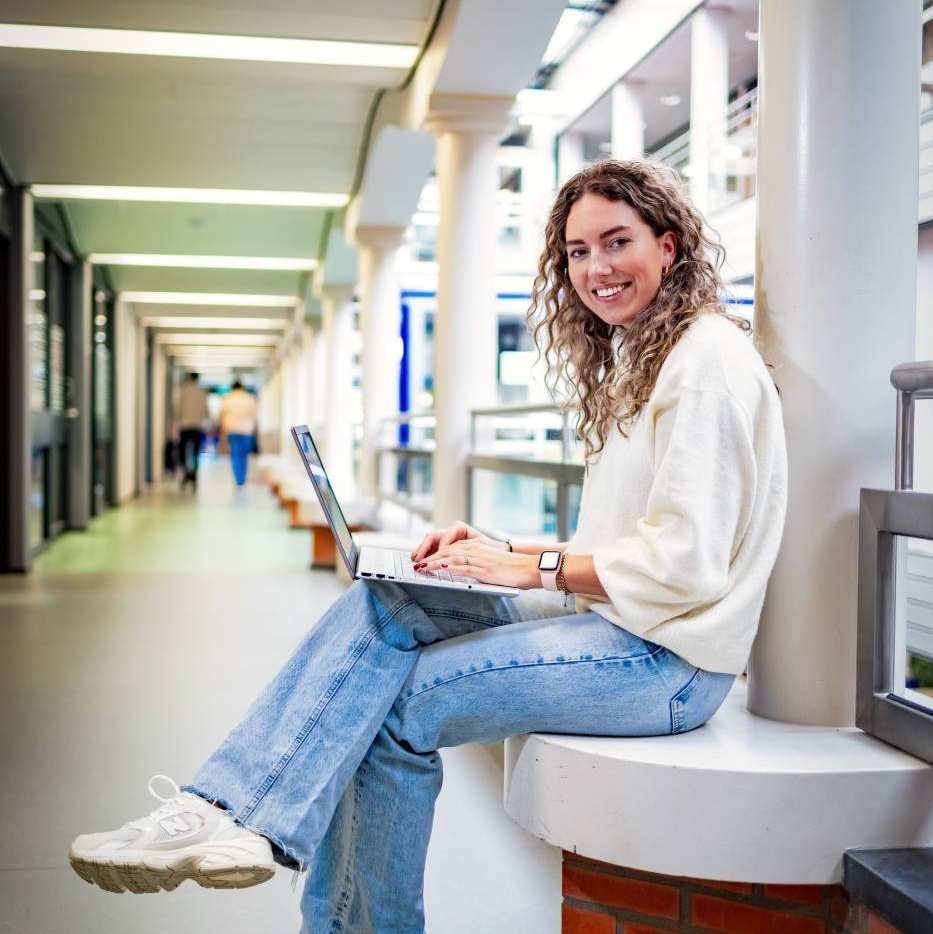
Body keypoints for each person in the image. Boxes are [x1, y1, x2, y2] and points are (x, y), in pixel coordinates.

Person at [68, 161, 787, 932]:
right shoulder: (643, 359)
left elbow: (685, 564)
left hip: (665, 665)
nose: (595, 269)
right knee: (389, 599)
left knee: (393, 704)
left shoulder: (703, 361)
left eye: (617, 243)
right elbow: (626, 542)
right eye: (577, 252)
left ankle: (266, 837)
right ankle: (225, 809)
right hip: (620, 629)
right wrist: (498, 546)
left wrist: (524, 566)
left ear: (668, 245)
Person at [219, 379, 258, 487]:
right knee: (244, 455)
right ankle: (242, 478)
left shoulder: (228, 398)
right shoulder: (249, 398)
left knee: (235, 454)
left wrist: (221, 431)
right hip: (247, 430)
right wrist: (255, 430)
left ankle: (238, 479)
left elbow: (222, 415)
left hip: (232, 429)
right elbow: (255, 415)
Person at [173, 372, 209, 489]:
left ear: (189, 378)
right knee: (196, 453)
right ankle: (194, 474)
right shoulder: (202, 392)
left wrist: (177, 421)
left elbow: (178, 409)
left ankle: (186, 473)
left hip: (185, 426)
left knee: (183, 452)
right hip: (197, 426)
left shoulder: (183, 391)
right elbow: (206, 410)